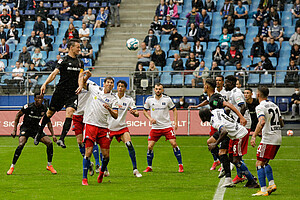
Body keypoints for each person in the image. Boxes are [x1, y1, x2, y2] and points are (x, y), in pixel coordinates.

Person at [34, 39, 85, 148]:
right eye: (78, 47)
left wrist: (80, 85)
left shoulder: (80, 62)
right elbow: (54, 73)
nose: (79, 49)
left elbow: (81, 76)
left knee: (70, 112)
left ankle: (61, 139)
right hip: (60, 92)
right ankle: (39, 133)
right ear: (71, 47)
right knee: (49, 113)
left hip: (72, 93)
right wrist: (45, 83)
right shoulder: (63, 60)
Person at [189, 78, 246, 174]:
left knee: (229, 155)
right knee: (210, 142)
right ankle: (224, 163)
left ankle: (233, 171)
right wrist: (197, 106)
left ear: (206, 86)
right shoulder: (212, 98)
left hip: (224, 126)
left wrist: (241, 117)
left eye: (204, 85)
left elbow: (228, 104)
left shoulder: (215, 98)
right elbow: (207, 102)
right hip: (221, 124)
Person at [200, 108, 258, 188]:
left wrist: (215, 144)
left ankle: (252, 181)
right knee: (231, 159)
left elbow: (224, 131)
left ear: (204, 117)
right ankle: (250, 178)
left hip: (239, 135)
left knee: (236, 160)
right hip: (234, 135)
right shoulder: (216, 111)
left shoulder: (215, 122)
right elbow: (226, 109)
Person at [7, 93, 57, 175]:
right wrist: (14, 130)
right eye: (38, 98)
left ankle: (49, 165)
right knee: (21, 144)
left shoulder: (44, 108)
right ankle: (12, 166)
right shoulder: (28, 107)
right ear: (34, 99)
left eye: (41, 98)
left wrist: (53, 135)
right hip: (26, 128)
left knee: (49, 143)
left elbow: (48, 121)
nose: (40, 100)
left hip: (36, 129)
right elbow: (17, 116)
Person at [81, 77, 118, 185]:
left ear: (113, 86)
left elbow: (115, 115)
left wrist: (109, 109)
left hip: (103, 127)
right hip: (91, 124)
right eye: (108, 82)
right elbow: (83, 84)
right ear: (104, 83)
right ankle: (84, 178)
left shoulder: (113, 99)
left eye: (111, 83)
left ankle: (101, 172)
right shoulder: (95, 89)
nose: (110, 84)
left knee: (106, 156)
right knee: (88, 152)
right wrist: (86, 76)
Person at [251, 86, 284, 196]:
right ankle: (271, 184)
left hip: (268, 138)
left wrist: (254, 135)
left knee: (259, 163)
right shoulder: (275, 106)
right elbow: (281, 123)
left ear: (258, 95)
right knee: (264, 162)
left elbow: (262, 121)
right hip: (278, 137)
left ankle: (263, 190)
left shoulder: (260, 106)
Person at [143, 83, 183, 173]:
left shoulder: (167, 99)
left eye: (160, 89)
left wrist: (175, 122)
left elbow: (174, 109)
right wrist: (150, 118)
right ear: (154, 90)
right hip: (155, 127)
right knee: (150, 146)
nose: (158, 90)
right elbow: (144, 111)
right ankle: (149, 166)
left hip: (167, 126)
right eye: (156, 89)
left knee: (173, 143)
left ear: (162, 90)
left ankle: (180, 165)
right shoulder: (149, 100)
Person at [108, 80, 142, 177]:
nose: (120, 88)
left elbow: (137, 113)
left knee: (129, 144)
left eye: (122, 86)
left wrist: (134, 113)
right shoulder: (111, 97)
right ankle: (104, 169)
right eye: (118, 86)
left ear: (125, 88)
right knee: (104, 149)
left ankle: (135, 169)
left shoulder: (129, 100)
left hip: (121, 127)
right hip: (109, 127)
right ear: (116, 87)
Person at [71, 75, 101, 176]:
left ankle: (97, 164)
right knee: (80, 142)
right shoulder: (73, 84)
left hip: (88, 115)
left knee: (91, 139)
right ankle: (89, 163)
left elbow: (98, 94)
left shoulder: (91, 84)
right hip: (76, 115)